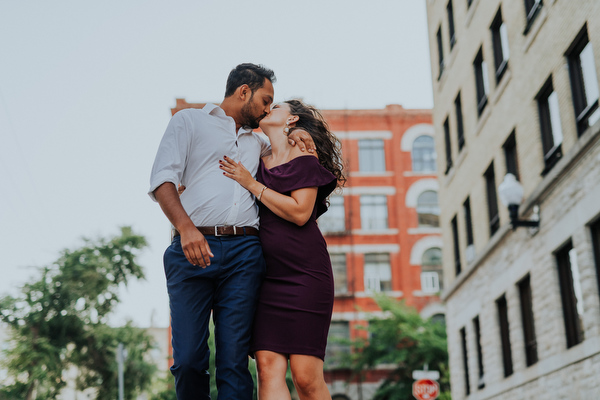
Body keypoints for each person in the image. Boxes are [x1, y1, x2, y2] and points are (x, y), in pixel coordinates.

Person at [148, 64, 315, 400]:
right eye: (265, 100)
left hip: (245, 254)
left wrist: (296, 134)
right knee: (189, 362)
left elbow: (287, 158)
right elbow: (161, 181)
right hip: (192, 249)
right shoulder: (189, 121)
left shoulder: (258, 142)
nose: (268, 108)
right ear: (243, 92)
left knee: (235, 362)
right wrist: (186, 229)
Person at [219, 99, 345, 400]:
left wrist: (252, 185)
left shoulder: (304, 160)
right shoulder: (255, 157)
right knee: (266, 366)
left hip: (306, 276)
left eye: (276, 106)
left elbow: (301, 213)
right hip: (266, 279)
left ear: (292, 120)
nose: (267, 109)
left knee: (305, 376)